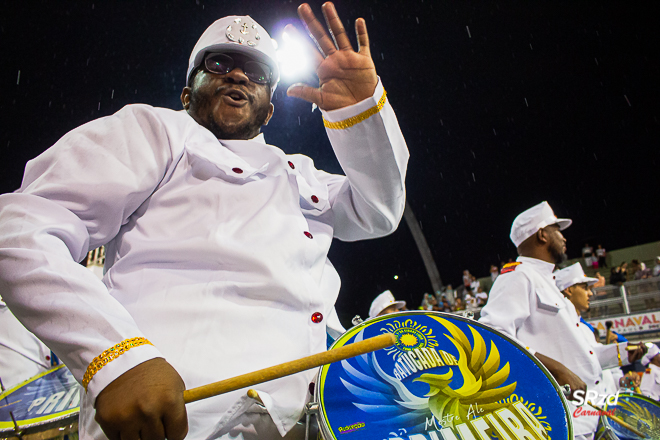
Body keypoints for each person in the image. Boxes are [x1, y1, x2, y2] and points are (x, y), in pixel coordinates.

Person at [0, 4, 408, 440]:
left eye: (255, 71)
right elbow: (22, 228)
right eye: (220, 63)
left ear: (269, 111)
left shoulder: (299, 171)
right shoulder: (155, 132)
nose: (237, 75)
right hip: (188, 419)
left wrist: (360, 115)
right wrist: (115, 358)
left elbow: (377, 211)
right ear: (186, 94)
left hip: (320, 419)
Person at [479, 201, 645, 440]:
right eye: (557, 230)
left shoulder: (549, 283)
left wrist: (622, 353)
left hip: (591, 411)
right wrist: (556, 370)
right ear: (542, 235)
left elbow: (579, 356)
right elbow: (491, 336)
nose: (563, 238)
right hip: (564, 418)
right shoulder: (518, 275)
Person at [554, 263, 627, 396]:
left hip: (601, 406)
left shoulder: (586, 329)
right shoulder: (557, 329)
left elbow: (598, 364)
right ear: (569, 290)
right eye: (585, 288)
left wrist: (627, 352)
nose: (590, 293)